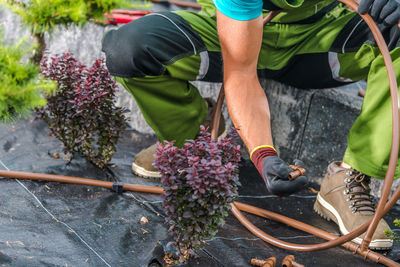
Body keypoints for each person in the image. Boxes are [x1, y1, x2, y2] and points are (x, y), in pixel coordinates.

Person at [101, 0, 400, 250]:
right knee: (129, 48)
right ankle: (194, 136)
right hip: (231, 39)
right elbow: (241, 74)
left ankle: (348, 178)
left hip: (321, 44)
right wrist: (264, 155)